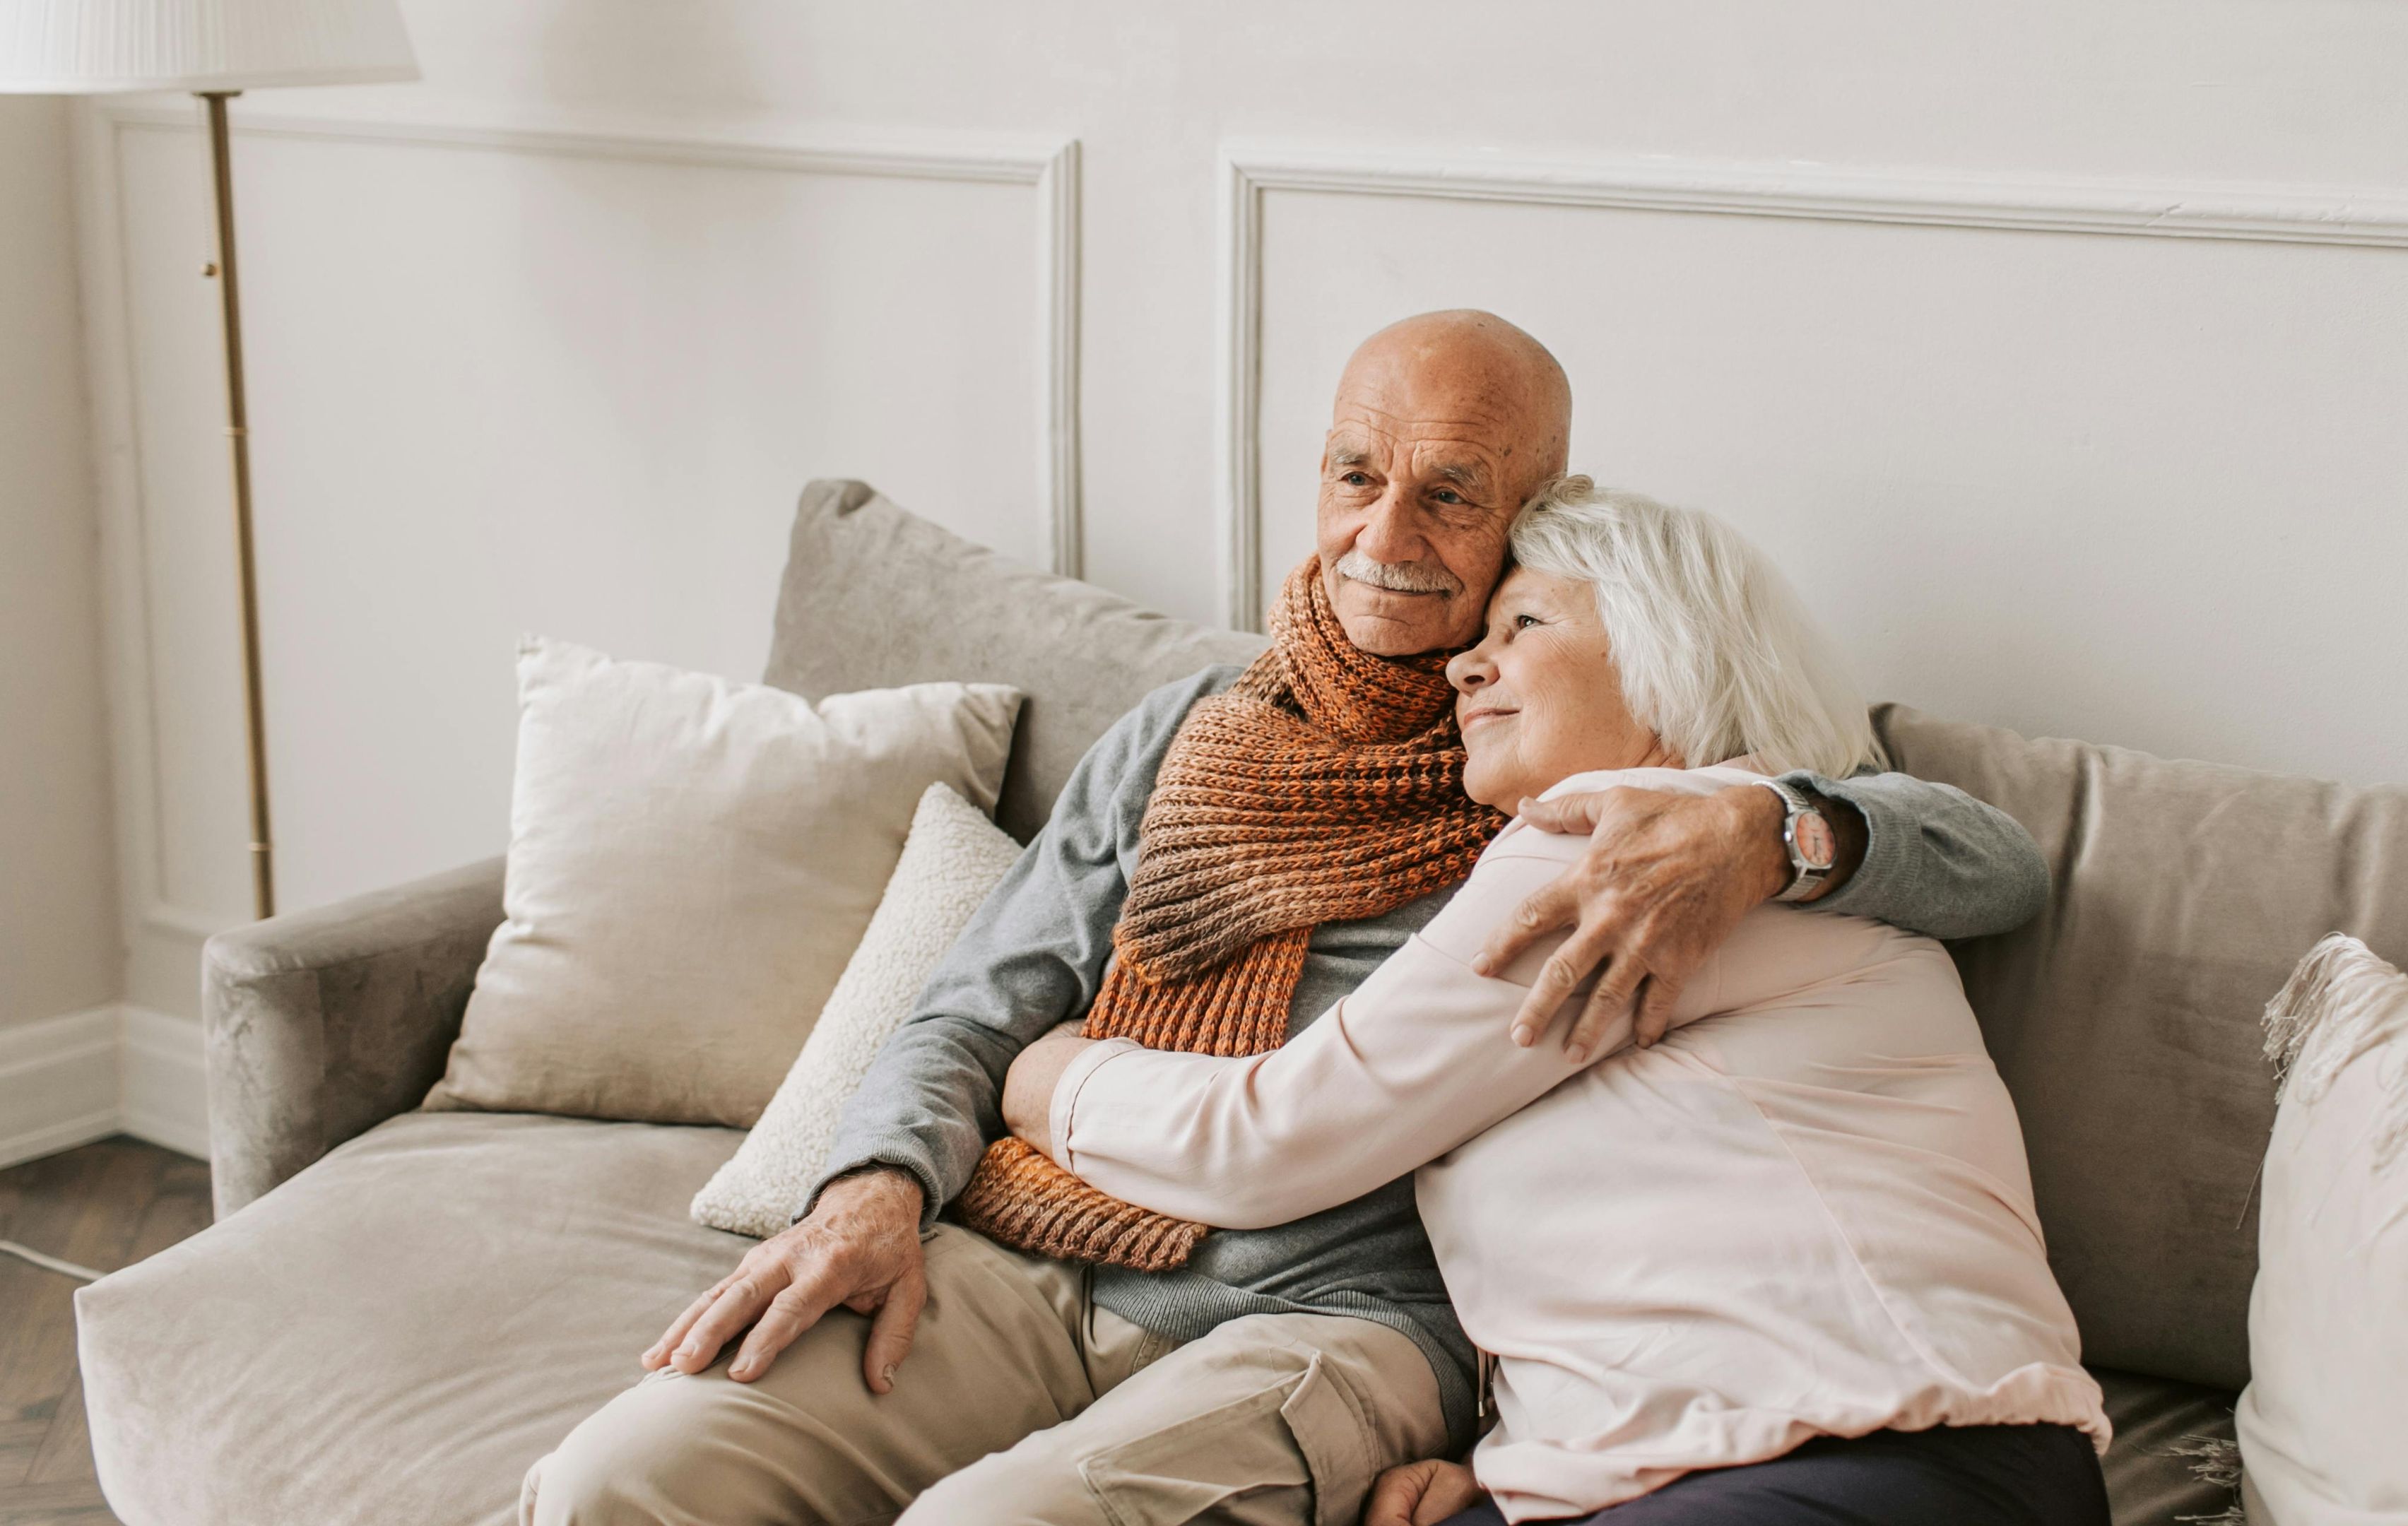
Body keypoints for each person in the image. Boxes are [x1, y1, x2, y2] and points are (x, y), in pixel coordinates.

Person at [522, 313, 2054, 1525]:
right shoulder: (1195, 727)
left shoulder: (1607, 803)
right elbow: (976, 1001)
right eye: (1352, 475)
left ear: (1533, 523)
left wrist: (1771, 826)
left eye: (1451, 495)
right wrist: (868, 1190)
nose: (1385, 532)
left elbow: (1986, 861)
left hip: (1339, 1311)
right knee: (624, 1482)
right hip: (1049, 1238)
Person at [1002, 480, 2113, 1526]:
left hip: (1884, 1451)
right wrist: (1507, 1469)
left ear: (1667, 650)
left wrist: (1049, 1080)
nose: (1465, 670)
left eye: (1523, 626)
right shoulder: (1740, 841)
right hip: (1783, 1463)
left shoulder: (1629, 844)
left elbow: (1269, 1141)